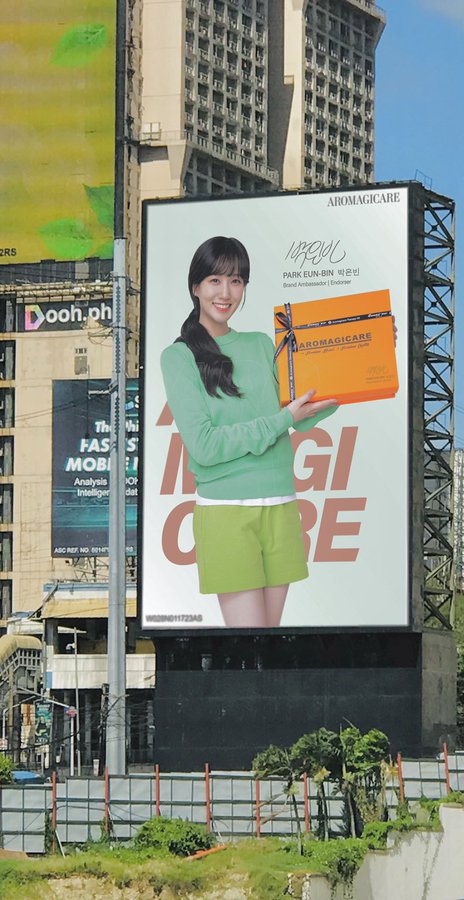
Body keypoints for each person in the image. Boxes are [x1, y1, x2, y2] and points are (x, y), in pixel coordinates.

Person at [159, 236, 336, 628]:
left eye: (236, 281)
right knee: (250, 647)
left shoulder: (260, 344)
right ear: (196, 287)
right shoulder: (178, 357)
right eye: (215, 281)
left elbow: (299, 416)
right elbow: (205, 446)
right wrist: (282, 420)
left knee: (269, 648)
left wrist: (363, 362)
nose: (226, 293)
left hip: (281, 506)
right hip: (226, 514)